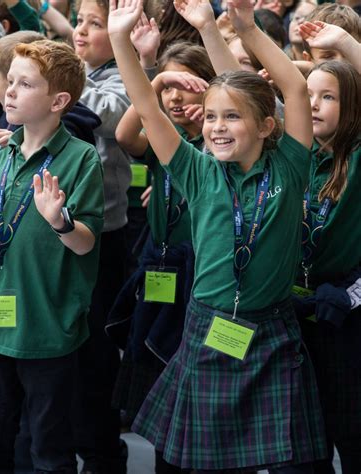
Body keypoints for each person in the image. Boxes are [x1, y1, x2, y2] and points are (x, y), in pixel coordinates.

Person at [108, 0, 328, 471]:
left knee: (298, 461)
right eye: (210, 117)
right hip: (207, 330)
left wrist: (244, 28)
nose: (216, 127)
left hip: (271, 331)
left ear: (267, 126)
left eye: (231, 118)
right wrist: (119, 41)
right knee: (196, 462)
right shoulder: (195, 169)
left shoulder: (290, 165)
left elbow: (291, 83)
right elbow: (146, 106)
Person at [0, 38, 104, 474]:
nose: (10, 91)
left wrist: (61, 222)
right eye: (10, 82)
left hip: (47, 328)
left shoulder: (81, 158)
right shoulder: (1, 148)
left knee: (49, 446)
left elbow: (87, 242)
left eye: (24, 84)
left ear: (58, 101)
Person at [109, 36, 214, 474]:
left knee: (196, 389)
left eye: (184, 85)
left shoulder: (219, 138)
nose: (174, 96)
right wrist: (155, 80)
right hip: (160, 266)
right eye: (167, 89)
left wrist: (210, 111)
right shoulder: (162, 137)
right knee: (156, 382)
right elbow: (124, 134)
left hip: (198, 274)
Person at [294, 24, 361, 473]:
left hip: (346, 321)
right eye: (307, 95)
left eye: (329, 97)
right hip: (293, 319)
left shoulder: (356, 157)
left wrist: (344, 45)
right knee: (302, 445)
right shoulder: (294, 155)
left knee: (352, 434)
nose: (313, 105)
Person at [71, 0, 132, 471]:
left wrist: (54, 84)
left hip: (105, 236)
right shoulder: (76, 72)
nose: (80, 30)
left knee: (95, 352)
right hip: (57, 234)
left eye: (95, 23)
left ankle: (103, 452)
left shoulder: (125, 78)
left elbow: (111, 115)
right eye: (78, 20)